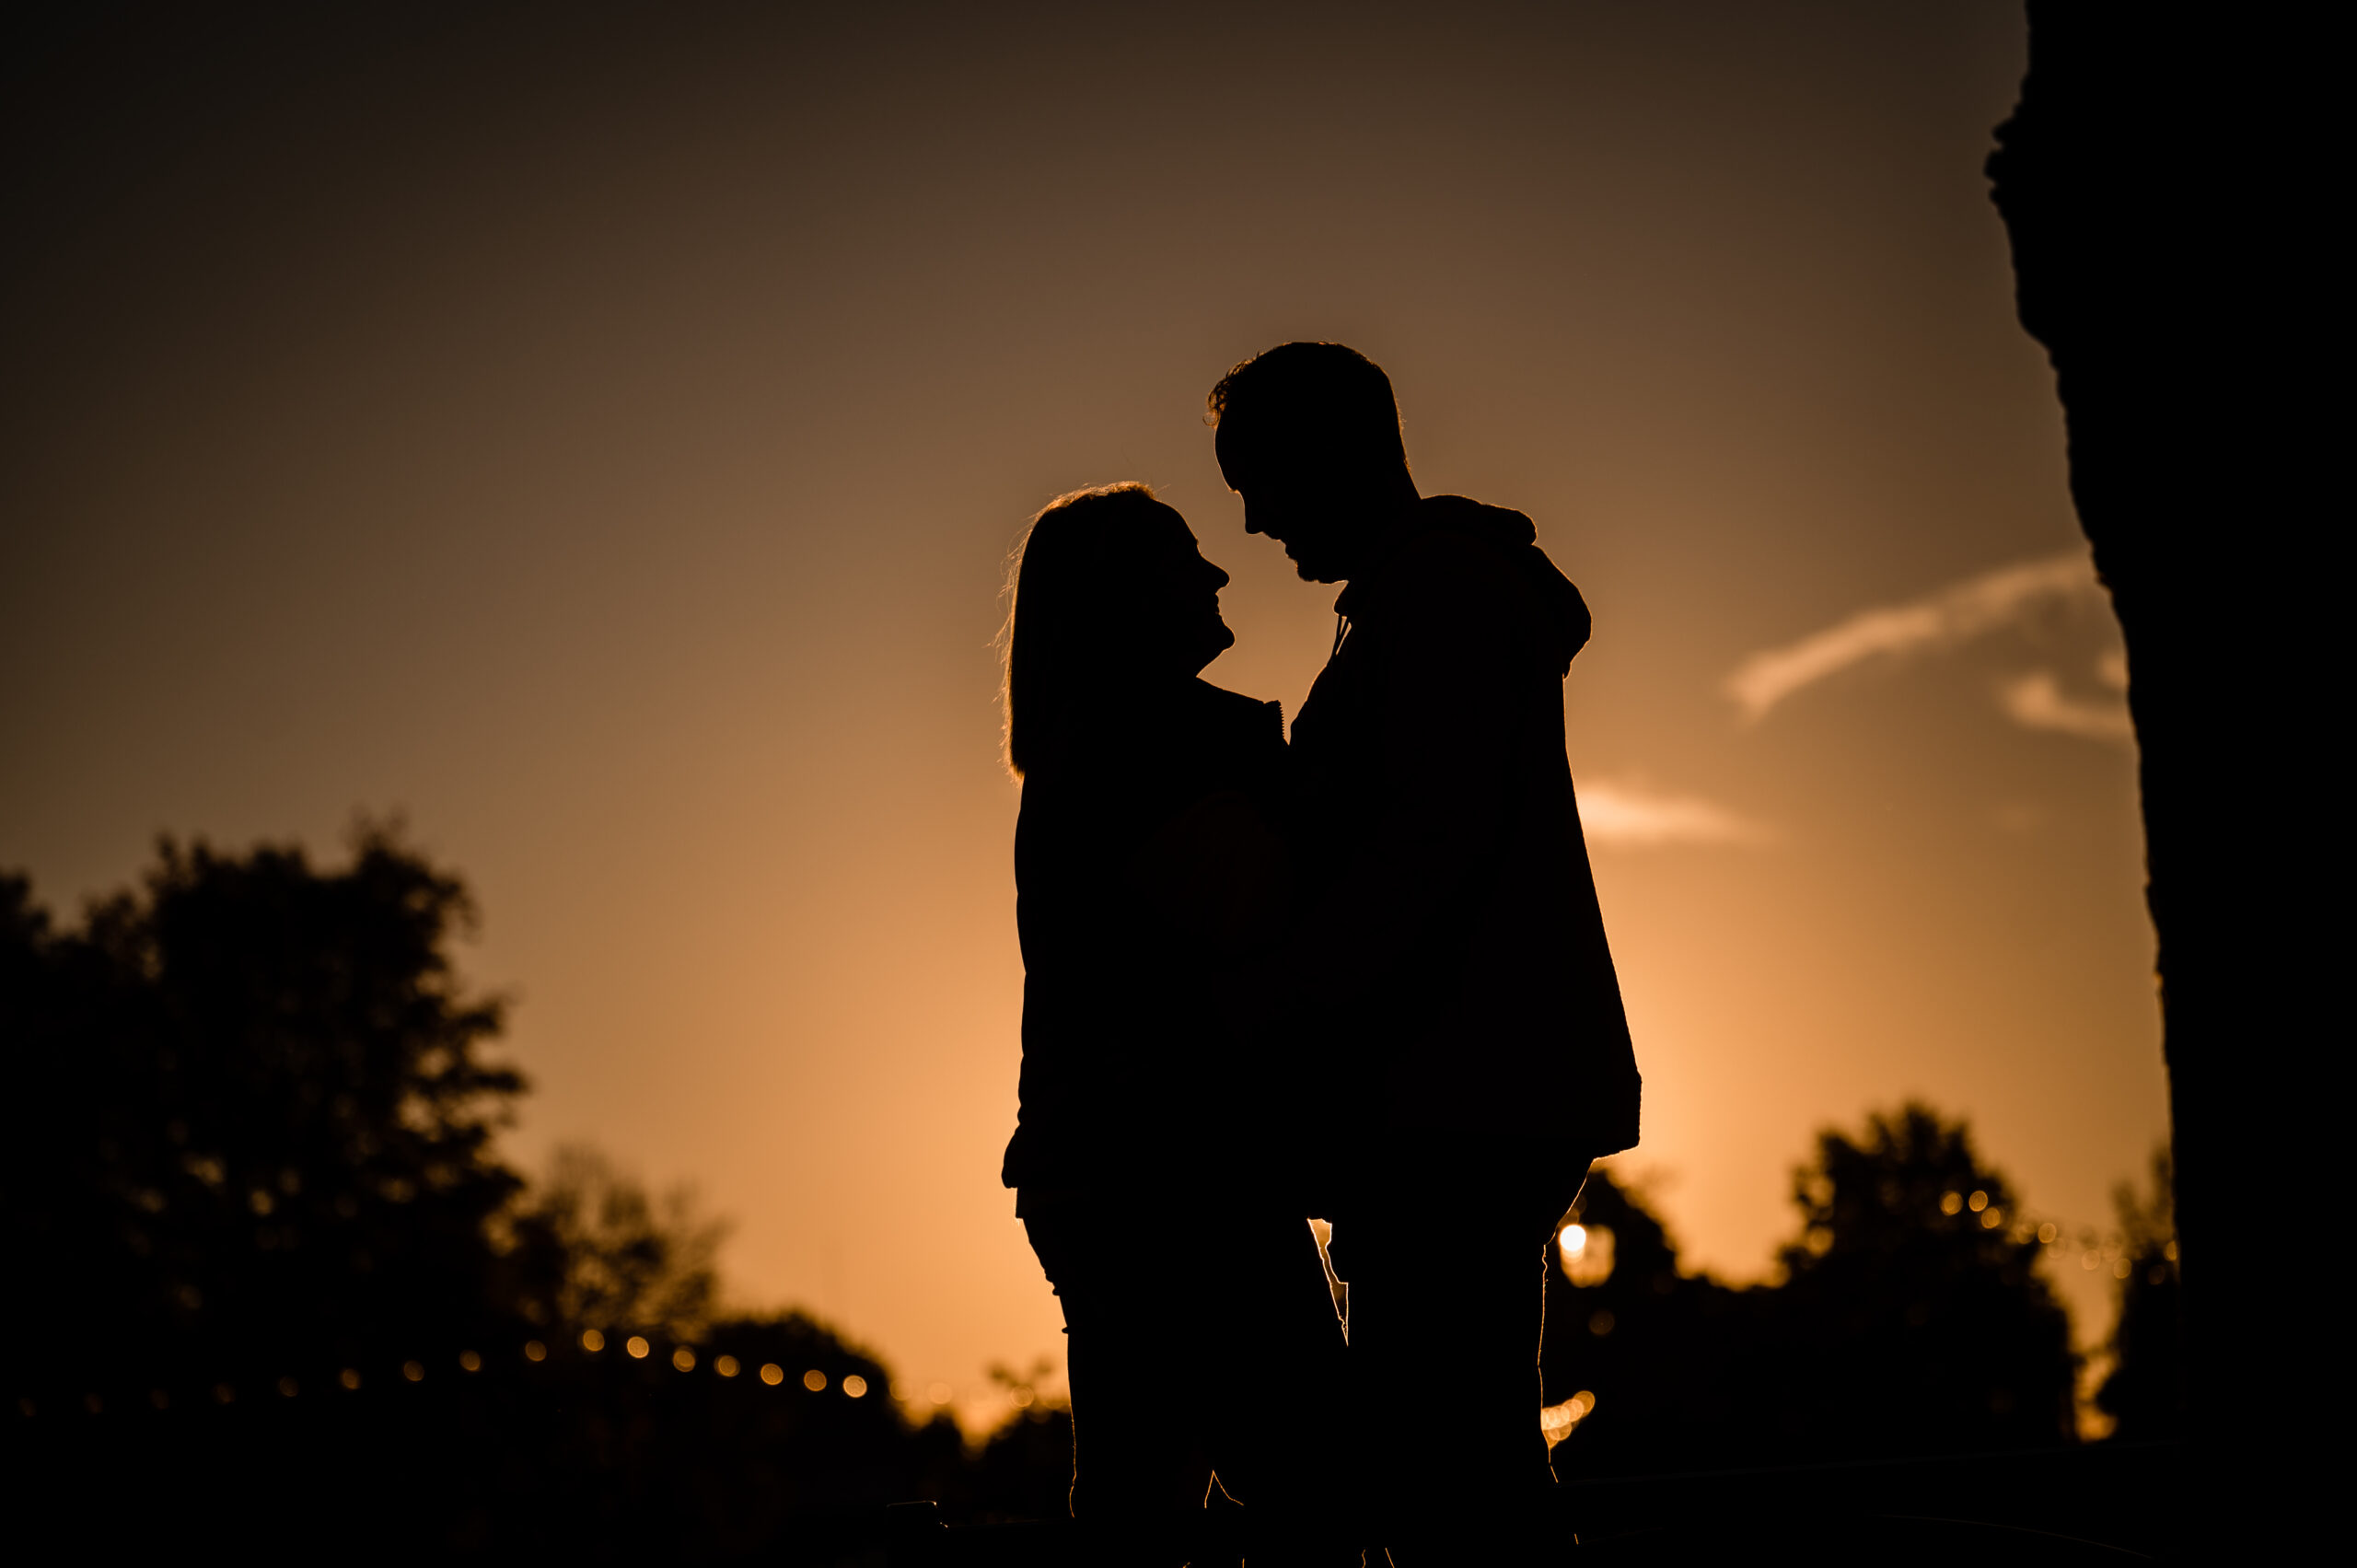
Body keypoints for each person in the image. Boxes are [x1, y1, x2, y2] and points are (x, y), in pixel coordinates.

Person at [1207, 343, 1641, 1563]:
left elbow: (1426, 847)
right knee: (1459, 1453)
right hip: (1459, 1090)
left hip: (1456, 1092)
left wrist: (1276, 999)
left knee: (1450, 1467)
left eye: (1262, 479)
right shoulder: (1418, 599)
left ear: (1329, 454)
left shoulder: (1435, 598)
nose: (1251, 518)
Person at [998, 482, 1354, 1566]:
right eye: (1182, 558)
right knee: (1317, 1485)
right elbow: (1255, 909)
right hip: (1172, 1164)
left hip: (1098, 1164)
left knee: (1136, 1498)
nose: (1214, 574)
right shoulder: (1146, 746)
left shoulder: (1083, 754)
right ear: (1125, 597)